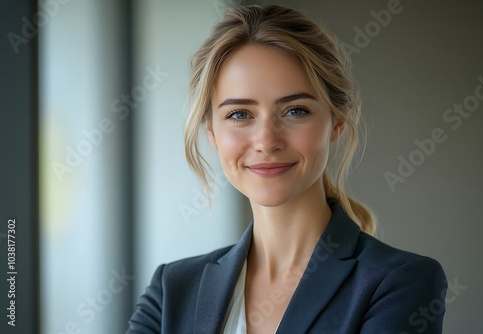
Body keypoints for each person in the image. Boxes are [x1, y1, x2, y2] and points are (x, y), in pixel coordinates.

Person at [126, 5, 447, 334]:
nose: (266, 141)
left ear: (337, 121)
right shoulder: (172, 290)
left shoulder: (399, 282)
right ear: (211, 131)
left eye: (295, 110)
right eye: (239, 114)